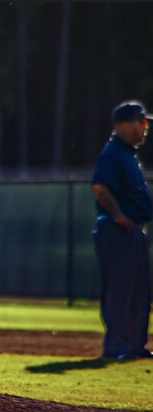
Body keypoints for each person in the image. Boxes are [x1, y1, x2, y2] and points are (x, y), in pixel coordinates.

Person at [91, 100, 153, 359]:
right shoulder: (114, 153)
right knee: (120, 290)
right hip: (117, 233)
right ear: (125, 125)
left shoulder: (127, 154)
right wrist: (118, 216)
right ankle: (116, 347)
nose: (145, 127)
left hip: (133, 233)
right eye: (141, 122)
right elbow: (99, 187)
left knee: (140, 292)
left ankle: (135, 347)